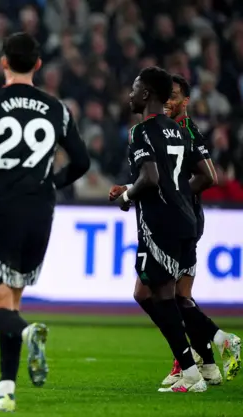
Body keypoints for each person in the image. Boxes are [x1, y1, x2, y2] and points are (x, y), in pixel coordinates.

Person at [0, 32, 90, 412]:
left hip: (3, 206)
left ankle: (29, 331)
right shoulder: (57, 108)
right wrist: (52, 183)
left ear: (3, 62)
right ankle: (5, 390)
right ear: (38, 65)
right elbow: (80, 162)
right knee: (12, 300)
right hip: (40, 211)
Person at [109, 66, 207, 393]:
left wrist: (127, 195)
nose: (130, 95)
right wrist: (178, 195)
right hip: (185, 221)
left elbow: (150, 178)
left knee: (162, 296)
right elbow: (202, 176)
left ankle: (192, 370)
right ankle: (193, 366)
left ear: (147, 94)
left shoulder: (142, 131)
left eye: (134, 89)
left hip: (159, 222)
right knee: (155, 293)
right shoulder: (179, 130)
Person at [158, 74, 239, 385]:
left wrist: (176, 194)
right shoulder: (170, 129)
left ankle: (212, 346)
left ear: (186, 101)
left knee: (170, 296)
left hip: (184, 221)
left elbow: (209, 176)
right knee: (180, 297)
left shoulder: (188, 132)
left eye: (174, 95)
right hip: (185, 219)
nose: (168, 100)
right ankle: (207, 365)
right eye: (166, 94)